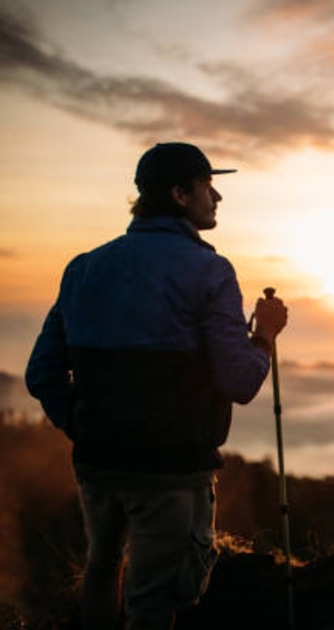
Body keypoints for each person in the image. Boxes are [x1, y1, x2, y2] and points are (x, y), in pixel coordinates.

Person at [25, 142, 288, 630]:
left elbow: (41, 375)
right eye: (209, 184)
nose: (218, 197)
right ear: (181, 193)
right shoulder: (210, 270)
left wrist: (85, 426)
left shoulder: (84, 267)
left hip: (98, 461)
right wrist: (265, 335)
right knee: (154, 602)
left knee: (101, 570)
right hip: (170, 472)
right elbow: (240, 381)